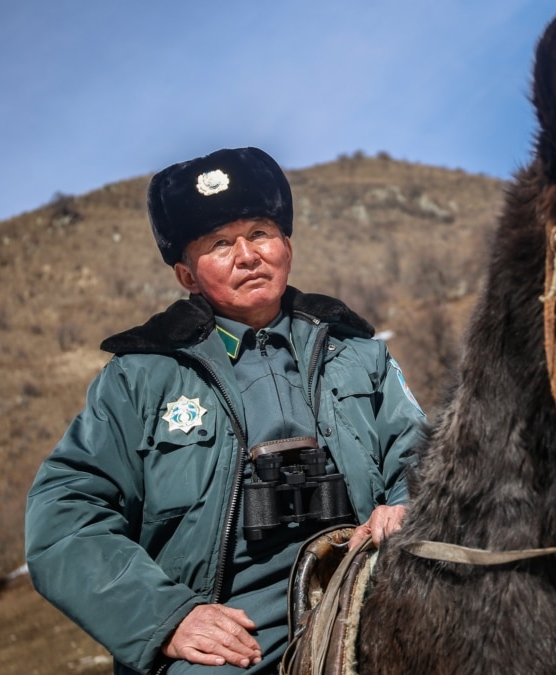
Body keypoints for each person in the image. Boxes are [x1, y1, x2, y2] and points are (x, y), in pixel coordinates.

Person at [25, 147, 425, 674]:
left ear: (287, 245)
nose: (246, 254)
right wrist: (166, 618)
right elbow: (63, 518)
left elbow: (421, 450)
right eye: (218, 244)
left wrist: (404, 500)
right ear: (187, 276)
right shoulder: (140, 377)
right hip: (236, 635)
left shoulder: (358, 352)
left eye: (260, 233)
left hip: (365, 584)